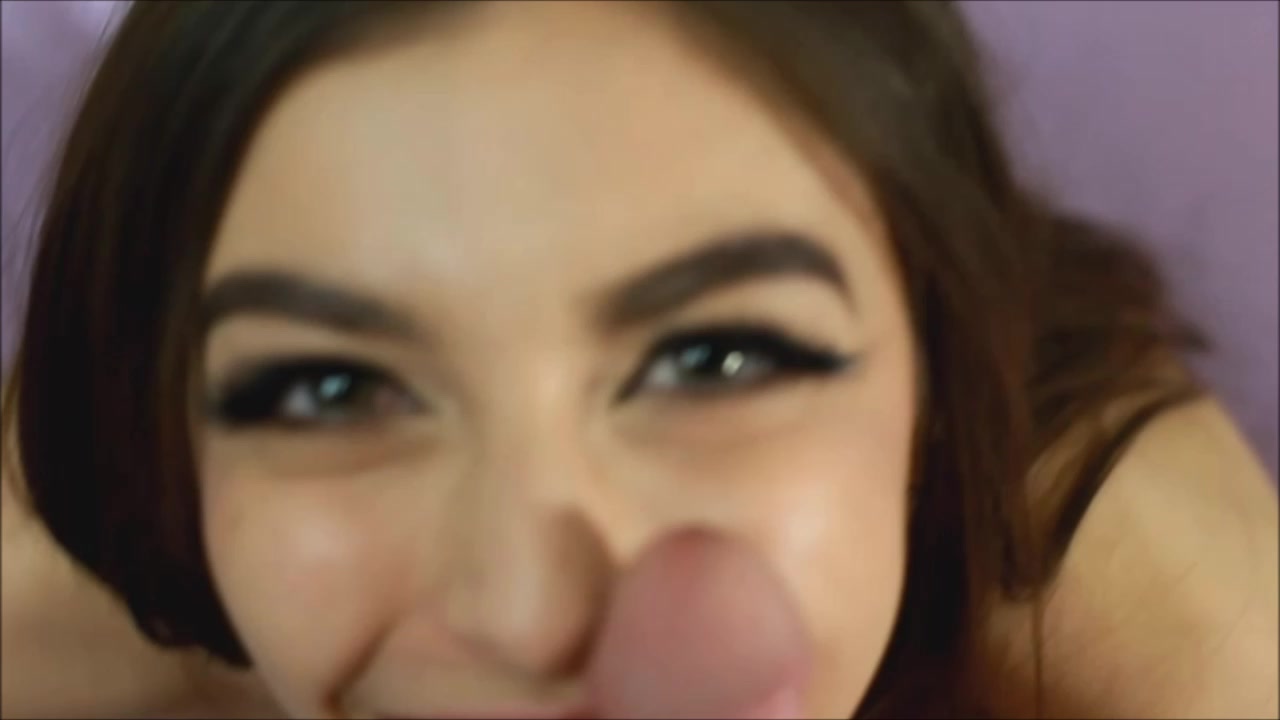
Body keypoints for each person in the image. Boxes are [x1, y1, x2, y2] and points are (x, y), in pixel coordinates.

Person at [2, 2, 1276, 718]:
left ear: (937, 393)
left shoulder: (1175, 640)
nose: (527, 615)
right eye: (328, 389)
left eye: (715, 359)